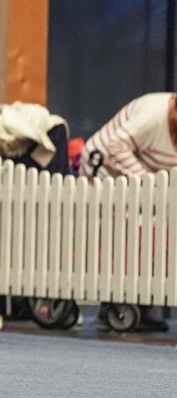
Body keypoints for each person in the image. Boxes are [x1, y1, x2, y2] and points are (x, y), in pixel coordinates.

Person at [81, 92, 176, 333]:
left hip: (143, 184)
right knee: (118, 239)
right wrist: (147, 180)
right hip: (104, 171)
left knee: (148, 238)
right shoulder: (153, 116)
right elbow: (115, 145)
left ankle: (142, 302)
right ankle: (112, 305)